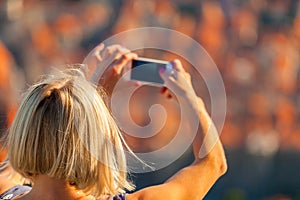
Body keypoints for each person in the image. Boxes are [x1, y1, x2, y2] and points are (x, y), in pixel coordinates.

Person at [0, 44, 227, 200]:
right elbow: (213, 163)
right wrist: (190, 96)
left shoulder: (5, 190)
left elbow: (30, 148)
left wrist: (90, 97)